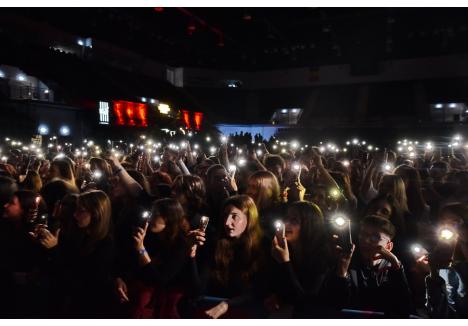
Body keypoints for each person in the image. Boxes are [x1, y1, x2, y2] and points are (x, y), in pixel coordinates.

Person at [187, 195, 266, 318]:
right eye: (225, 216)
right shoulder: (216, 243)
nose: (227, 223)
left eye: (235, 216)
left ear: (249, 219)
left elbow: (258, 291)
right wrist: (192, 255)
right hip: (214, 308)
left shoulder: (262, 246)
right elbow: (198, 290)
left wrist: (227, 304)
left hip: (245, 312)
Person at [325, 215, 413, 317]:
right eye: (363, 235)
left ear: (388, 246)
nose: (366, 241)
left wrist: (396, 265)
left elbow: (405, 310)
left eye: (375, 237)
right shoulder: (348, 261)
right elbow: (336, 305)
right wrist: (342, 269)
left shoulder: (393, 268)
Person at [124, 198, 191, 318]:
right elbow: (131, 265)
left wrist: (141, 248)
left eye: (155, 215)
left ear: (169, 218)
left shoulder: (180, 245)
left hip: (164, 301)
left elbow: (159, 279)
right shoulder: (151, 235)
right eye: (151, 213)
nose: (150, 219)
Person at [53, 190, 115, 317]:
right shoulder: (80, 233)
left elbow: (82, 278)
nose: (75, 215)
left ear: (97, 214)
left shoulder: (105, 245)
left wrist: (54, 248)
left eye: (81, 211)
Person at [267, 201, 332, 317]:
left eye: (294, 220)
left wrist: (285, 262)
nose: (286, 223)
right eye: (286, 218)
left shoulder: (322, 257)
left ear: (309, 226)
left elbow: (304, 301)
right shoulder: (282, 250)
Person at [422, 203, 468, 318]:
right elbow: (438, 310)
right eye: (443, 221)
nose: (448, 226)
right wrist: (434, 272)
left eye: (455, 221)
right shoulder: (444, 253)